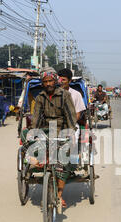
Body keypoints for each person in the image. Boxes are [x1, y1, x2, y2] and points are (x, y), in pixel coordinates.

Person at [31, 70, 77, 210]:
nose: (48, 84)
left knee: (62, 162)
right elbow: (37, 117)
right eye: (45, 82)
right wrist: (35, 133)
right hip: (46, 131)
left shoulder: (65, 95)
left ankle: (59, 194)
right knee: (37, 154)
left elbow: (70, 115)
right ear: (42, 83)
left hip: (62, 130)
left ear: (55, 81)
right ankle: (47, 180)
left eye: (50, 81)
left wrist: (70, 133)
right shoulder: (40, 97)